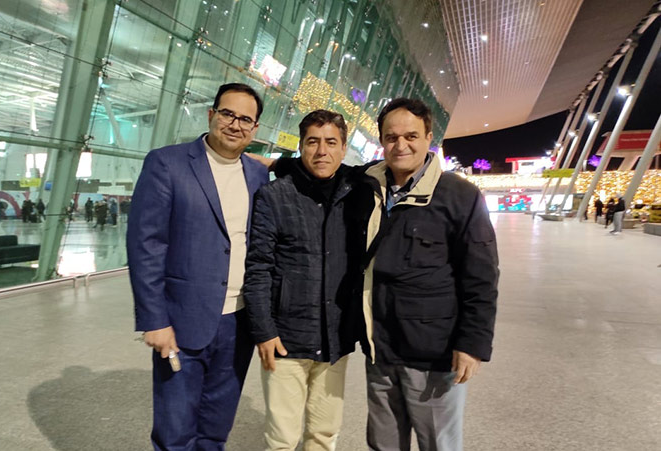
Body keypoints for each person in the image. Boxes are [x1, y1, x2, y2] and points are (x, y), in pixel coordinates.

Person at [127, 82, 268, 450]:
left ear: (255, 129)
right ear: (211, 115)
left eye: (245, 119)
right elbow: (146, 245)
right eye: (228, 114)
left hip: (239, 323)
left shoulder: (256, 175)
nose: (235, 124)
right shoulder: (167, 163)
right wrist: (154, 320)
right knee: (175, 432)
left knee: (216, 429)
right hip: (182, 320)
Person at [356, 98, 499, 451]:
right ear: (381, 140)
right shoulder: (367, 186)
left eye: (411, 136)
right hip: (380, 349)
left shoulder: (459, 196)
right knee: (384, 444)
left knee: (438, 443)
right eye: (391, 137)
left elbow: (481, 278)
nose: (400, 145)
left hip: (434, 355)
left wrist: (472, 345)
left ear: (428, 137)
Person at [244, 110, 360, 450]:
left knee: (324, 433)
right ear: (301, 146)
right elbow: (258, 267)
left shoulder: (357, 193)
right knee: (282, 438)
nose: (322, 151)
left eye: (331, 142)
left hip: (335, 336)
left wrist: (276, 162)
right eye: (313, 142)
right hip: (286, 338)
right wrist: (264, 331)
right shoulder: (274, 196)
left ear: (343, 148)